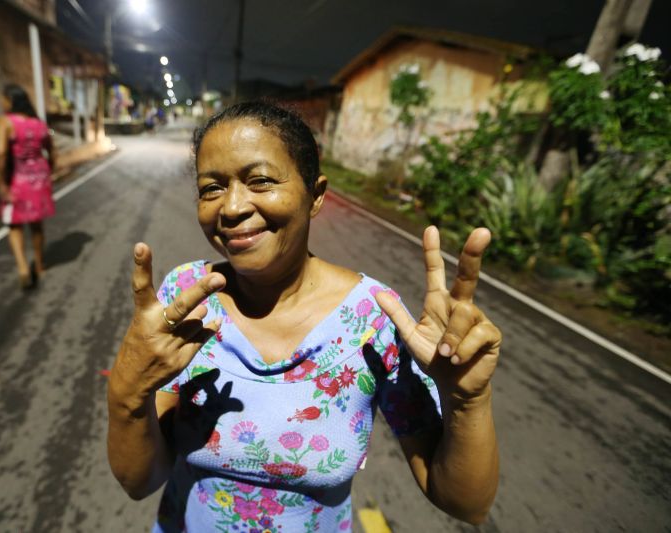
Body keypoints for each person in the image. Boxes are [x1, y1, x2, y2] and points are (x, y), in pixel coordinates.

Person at [107, 102, 502, 532]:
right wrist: (127, 394)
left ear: (316, 195)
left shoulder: (372, 317)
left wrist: (467, 400)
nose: (233, 207)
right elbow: (139, 480)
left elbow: (466, 504)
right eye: (211, 189)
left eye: (260, 180)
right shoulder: (187, 300)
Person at [0, 84, 56, 289]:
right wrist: (49, 172)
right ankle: (39, 265)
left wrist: (2, 182)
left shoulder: (5, 122)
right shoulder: (39, 124)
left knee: (14, 224)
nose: (1, 103)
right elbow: (52, 152)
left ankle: (22, 267)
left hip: (17, 180)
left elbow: (1, 153)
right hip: (39, 177)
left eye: (3, 99)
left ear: (10, 101)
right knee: (37, 225)